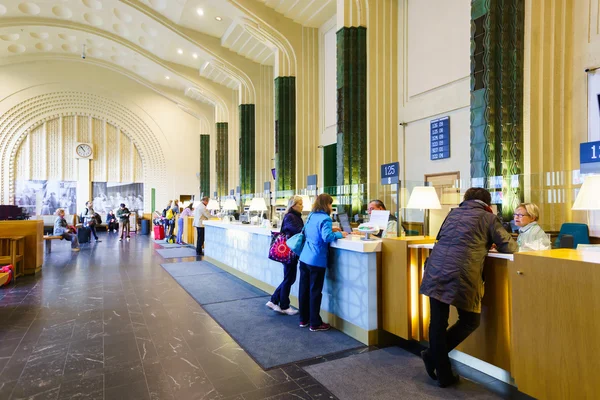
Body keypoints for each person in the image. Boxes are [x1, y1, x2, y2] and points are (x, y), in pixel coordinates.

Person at [419, 187, 517, 387]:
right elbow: (510, 246)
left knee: (437, 323)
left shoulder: (452, 214)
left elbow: (445, 238)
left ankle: (440, 367)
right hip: (460, 273)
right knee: (470, 320)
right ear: (487, 204)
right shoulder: (488, 218)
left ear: (466, 199)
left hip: (435, 268)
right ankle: (432, 356)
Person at [298, 193, 348, 332]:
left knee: (304, 289)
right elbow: (326, 237)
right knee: (315, 291)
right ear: (326, 204)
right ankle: (315, 323)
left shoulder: (311, 216)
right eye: (331, 204)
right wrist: (340, 234)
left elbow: (310, 232)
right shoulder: (326, 218)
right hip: (316, 259)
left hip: (305, 257)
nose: (331, 207)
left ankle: (304, 319)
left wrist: (331, 229)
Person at [266, 196, 304, 316]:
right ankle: (284, 305)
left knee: (289, 278)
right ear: (293, 205)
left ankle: (274, 300)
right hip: (289, 252)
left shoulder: (292, 216)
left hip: (288, 251)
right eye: (300, 204)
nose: (302, 206)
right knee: (289, 278)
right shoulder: (291, 217)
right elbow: (299, 231)